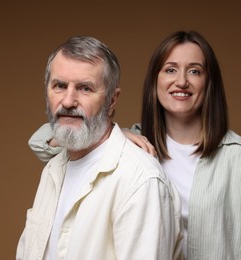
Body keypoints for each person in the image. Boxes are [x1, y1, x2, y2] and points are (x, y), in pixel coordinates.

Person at [28, 31, 241, 259]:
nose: (181, 81)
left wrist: (112, 133)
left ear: (210, 83)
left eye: (194, 71)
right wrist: (115, 134)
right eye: (170, 70)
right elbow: (45, 142)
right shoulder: (135, 147)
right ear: (155, 81)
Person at [16, 36, 183, 260]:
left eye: (85, 88)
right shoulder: (53, 170)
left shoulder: (140, 180)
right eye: (60, 86)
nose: (68, 101)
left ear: (112, 100)